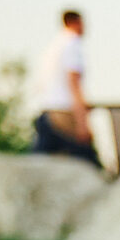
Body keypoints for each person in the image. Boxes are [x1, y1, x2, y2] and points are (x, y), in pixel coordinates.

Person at [29, 10, 100, 164]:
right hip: (63, 113)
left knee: (38, 166)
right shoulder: (72, 44)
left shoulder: (53, 47)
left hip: (46, 113)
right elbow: (73, 83)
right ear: (75, 23)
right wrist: (82, 123)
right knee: (88, 164)